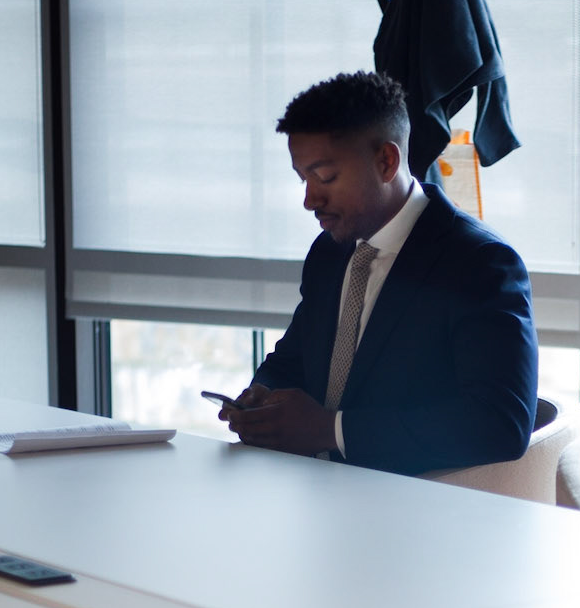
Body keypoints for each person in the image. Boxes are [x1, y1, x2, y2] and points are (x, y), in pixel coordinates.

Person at [222, 70, 538, 476]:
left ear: (386, 161)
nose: (309, 200)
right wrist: (262, 396)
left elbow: (500, 423)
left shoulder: (479, 264)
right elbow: (295, 359)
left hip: (411, 501)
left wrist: (330, 431)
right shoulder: (329, 251)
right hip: (312, 488)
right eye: (303, 179)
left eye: (325, 177)